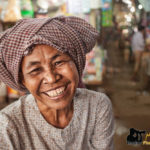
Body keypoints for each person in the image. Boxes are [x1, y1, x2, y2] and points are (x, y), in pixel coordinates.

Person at [0, 16, 114, 149]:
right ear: (22, 80)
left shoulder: (97, 106)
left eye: (59, 62)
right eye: (35, 70)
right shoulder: (8, 125)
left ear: (76, 62)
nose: (51, 78)